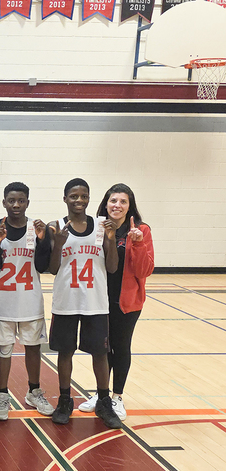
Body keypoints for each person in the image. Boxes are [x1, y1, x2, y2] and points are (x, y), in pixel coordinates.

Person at [48, 178, 122, 429]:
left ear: (89, 199)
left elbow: (112, 267)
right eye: (73, 196)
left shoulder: (103, 225)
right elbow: (53, 268)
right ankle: (65, 400)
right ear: (65, 198)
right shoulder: (56, 226)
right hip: (66, 301)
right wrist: (58, 243)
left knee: (100, 353)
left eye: (84, 196)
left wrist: (110, 241)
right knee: (65, 351)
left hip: (96, 302)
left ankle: (103, 401)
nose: (79, 200)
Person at [79, 183, 154, 421]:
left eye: (123, 201)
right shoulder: (97, 227)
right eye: (113, 200)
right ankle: (101, 395)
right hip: (99, 299)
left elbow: (145, 270)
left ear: (130, 206)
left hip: (126, 302)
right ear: (105, 203)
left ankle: (117, 396)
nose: (117, 205)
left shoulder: (141, 230)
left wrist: (139, 242)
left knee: (120, 348)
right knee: (101, 348)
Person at [0, 182, 54, 421]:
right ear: (4, 203)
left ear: (28, 202)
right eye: (11, 201)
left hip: (30, 300)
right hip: (3, 300)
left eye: (21, 201)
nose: (16, 205)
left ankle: (33, 391)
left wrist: (44, 240)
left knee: (33, 348)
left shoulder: (36, 229)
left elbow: (42, 266)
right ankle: (2, 394)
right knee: (4, 349)